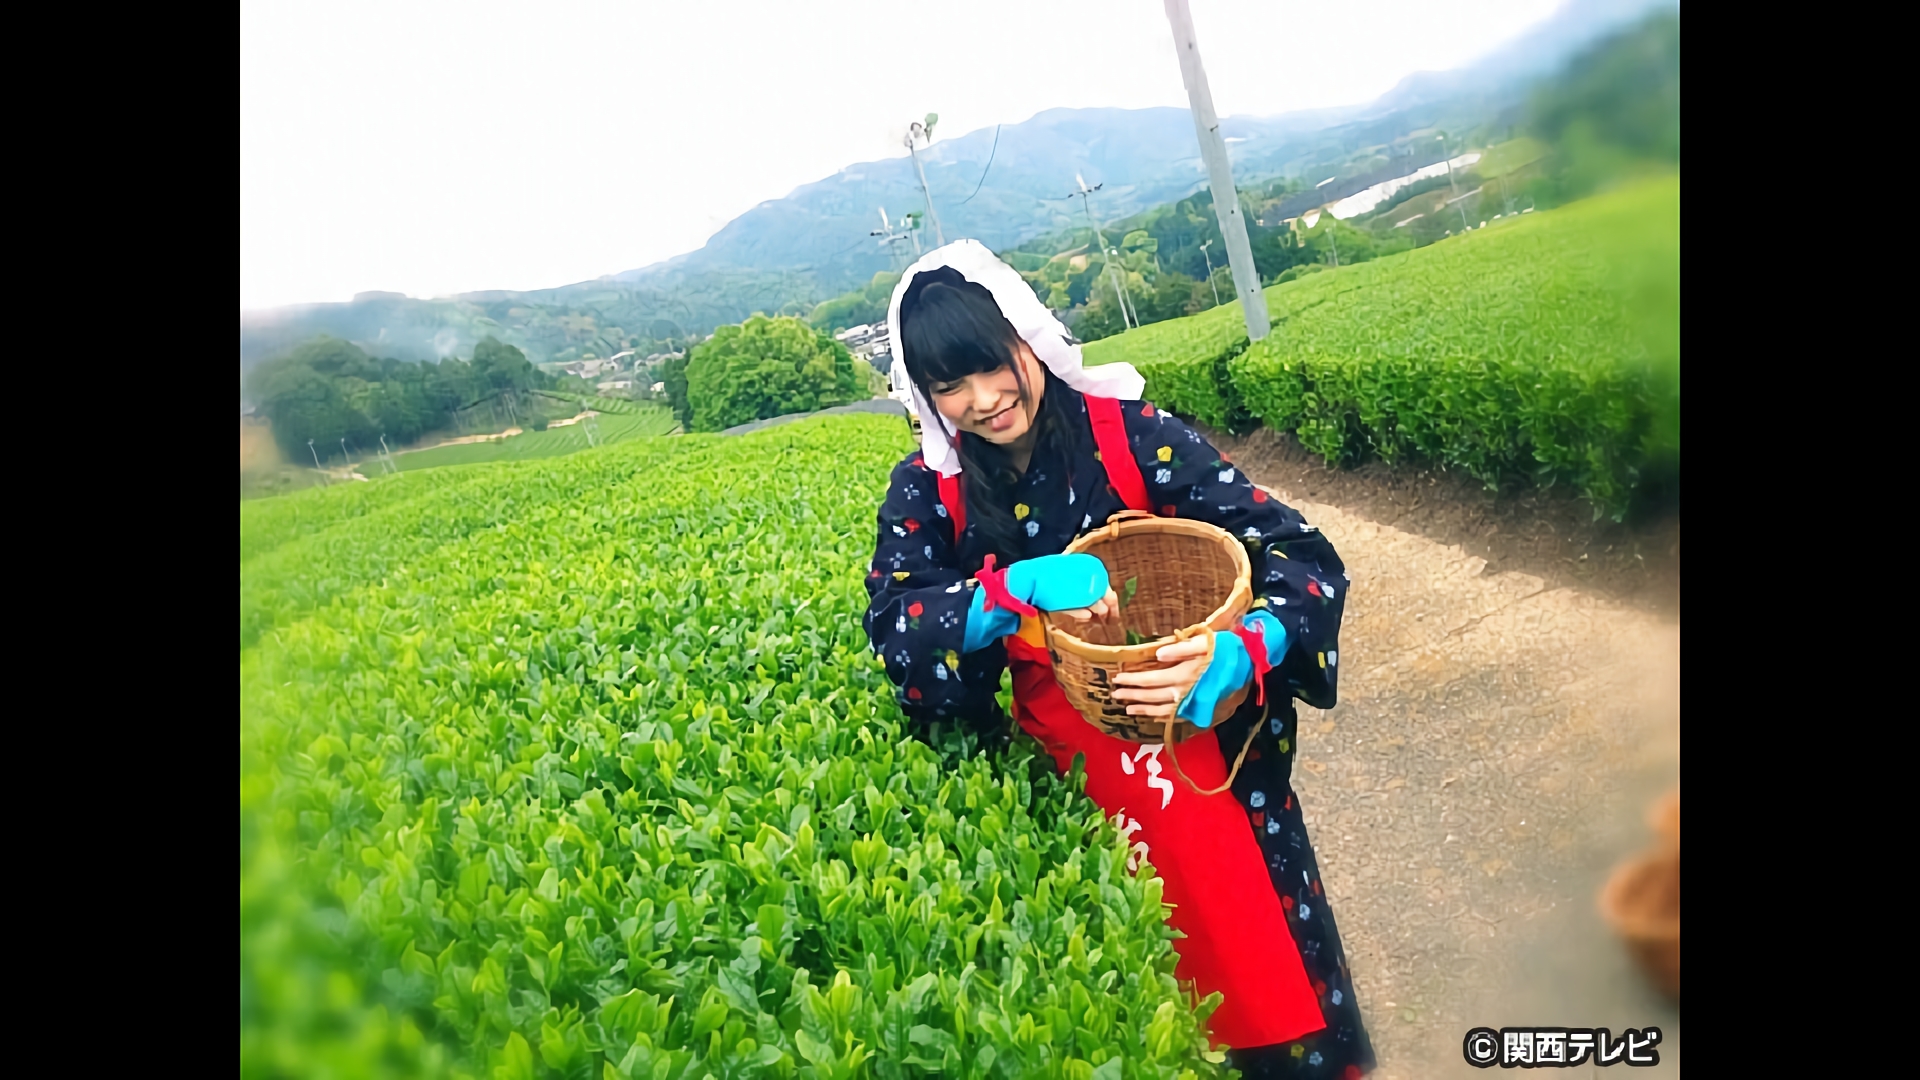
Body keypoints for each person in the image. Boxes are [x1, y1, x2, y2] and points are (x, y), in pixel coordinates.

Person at [861, 241, 1376, 1078]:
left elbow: (1304, 559)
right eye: (950, 384)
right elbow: (896, 623)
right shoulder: (929, 488)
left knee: (1268, 980)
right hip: (1067, 777)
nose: (983, 399)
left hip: (1201, 749)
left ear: (1030, 338)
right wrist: (1007, 592)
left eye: (995, 365)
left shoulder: (1132, 435)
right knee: (1146, 1000)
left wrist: (1246, 649)